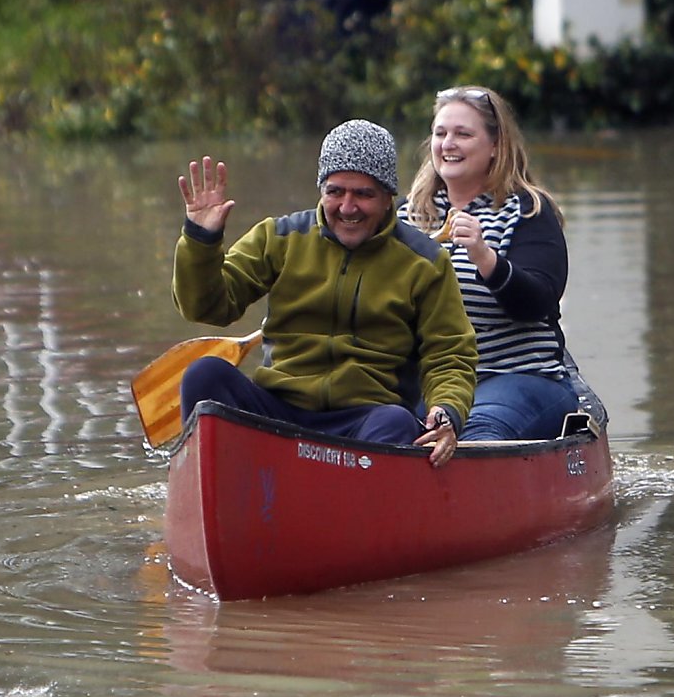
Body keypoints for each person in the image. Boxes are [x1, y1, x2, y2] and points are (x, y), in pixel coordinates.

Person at [172, 118, 478, 463]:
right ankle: (212, 489)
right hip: (278, 410)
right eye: (335, 192)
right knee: (204, 374)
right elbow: (206, 308)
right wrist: (201, 241)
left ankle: (357, 506)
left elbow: (450, 354)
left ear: (388, 198)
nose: (347, 208)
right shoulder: (279, 237)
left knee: (396, 421)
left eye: (363, 194)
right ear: (321, 190)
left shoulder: (426, 262)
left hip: (363, 420)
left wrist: (446, 411)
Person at [401, 84, 594, 442]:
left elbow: (538, 302)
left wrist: (485, 257)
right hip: (433, 382)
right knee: (376, 421)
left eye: (463, 134)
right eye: (440, 133)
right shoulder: (405, 218)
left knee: (476, 430)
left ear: (494, 146)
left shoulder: (528, 211)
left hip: (518, 377)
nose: (448, 144)